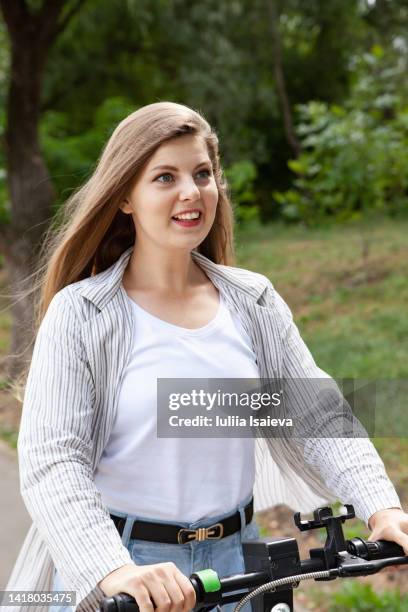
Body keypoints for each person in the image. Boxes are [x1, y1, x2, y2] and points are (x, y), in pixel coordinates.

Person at [5, 102, 408, 612]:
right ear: (125, 197)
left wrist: (381, 506)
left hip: (239, 565)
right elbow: (53, 462)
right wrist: (115, 569)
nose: (191, 191)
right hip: (128, 571)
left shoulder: (253, 300)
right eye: (165, 177)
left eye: (202, 173)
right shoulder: (81, 314)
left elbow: (318, 414)